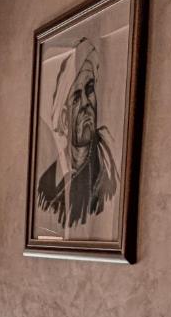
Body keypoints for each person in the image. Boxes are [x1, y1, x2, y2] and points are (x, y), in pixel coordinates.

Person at [36, 37, 119, 229]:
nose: (86, 104)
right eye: (75, 98)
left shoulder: (109, 157)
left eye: (89, 89)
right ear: (64, 120)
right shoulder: (46, 185)